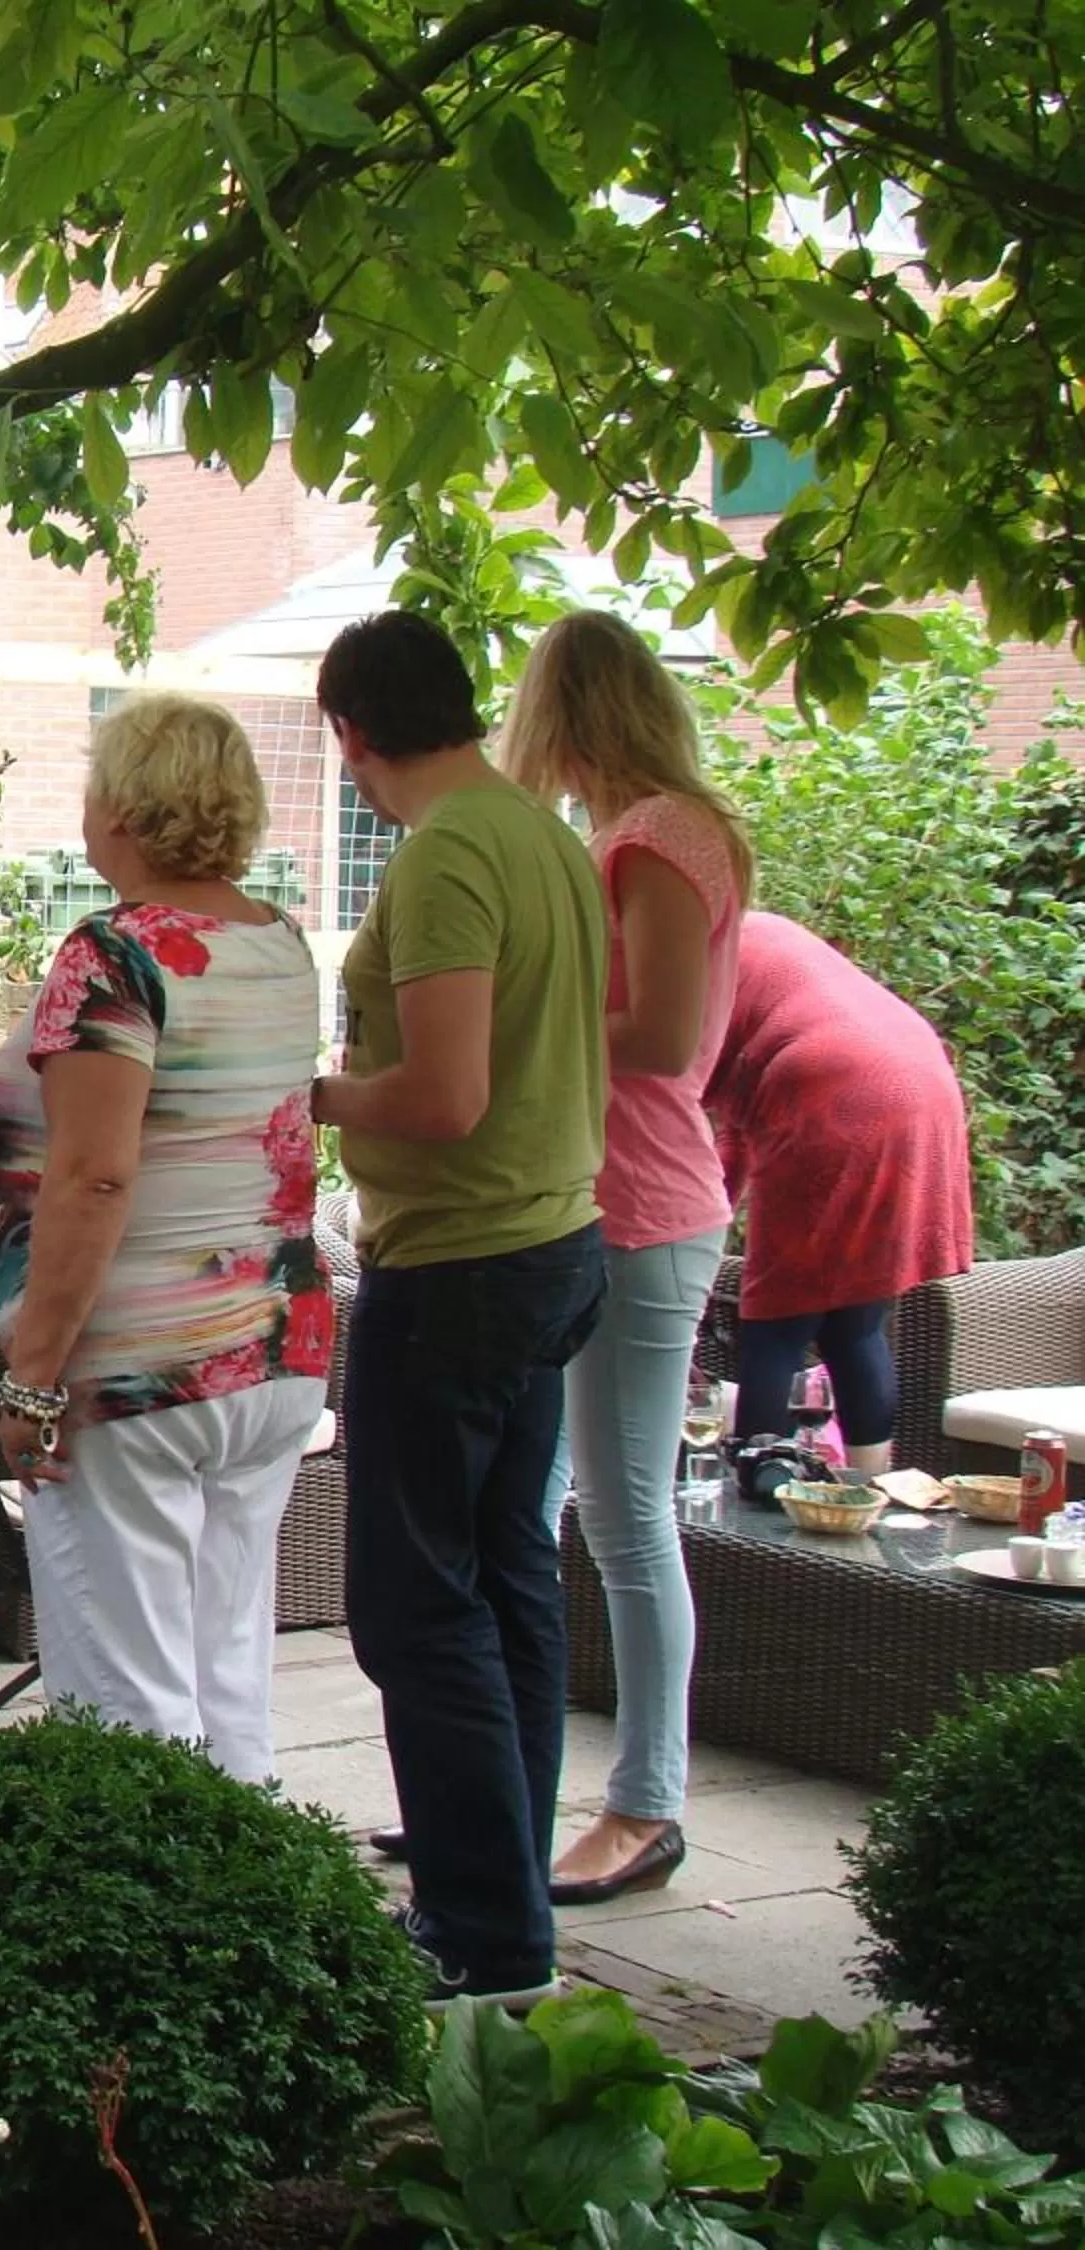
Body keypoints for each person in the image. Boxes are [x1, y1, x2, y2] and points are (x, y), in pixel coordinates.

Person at [312, 610, 608, 2014]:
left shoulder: (442, 858)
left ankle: (479, 1926)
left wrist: (314, 1094)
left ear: (351, 733)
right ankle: (505, 1888)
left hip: (461, 1263)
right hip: (556, 1242)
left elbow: (442, 1096)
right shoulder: (546, 832)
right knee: (508, 1582)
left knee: (413, 1609)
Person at [0, 692, 332, 1782]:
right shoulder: (277, 942)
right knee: (226, 1674)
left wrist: (31, 1378)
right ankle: (255, 1918)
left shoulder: (114, 955)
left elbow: (94, 1176)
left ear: (126, 810)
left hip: (133, 1368)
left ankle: (155, 1938)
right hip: (273, 1353)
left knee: (125, 1700)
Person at [495, 609, 749, 1908]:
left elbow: (658, 1035)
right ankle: (508, 1796)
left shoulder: (655, 837)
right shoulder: (643, 832)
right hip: (607, 1204)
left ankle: (646, 1801)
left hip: (644, 1212)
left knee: (628, 1516)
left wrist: (514, 1009)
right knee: (548, 1510)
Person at [707, 910, 974, 1461]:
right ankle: (865, 1490)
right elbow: (737, 1126)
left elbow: (697, 1102)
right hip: (919, 1078)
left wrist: (694, 1236)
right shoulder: (761, 932)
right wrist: (714, 1215)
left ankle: (765, 1493)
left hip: (830, 1086)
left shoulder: (693, 956)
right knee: (854, 1320)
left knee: (778, 1319)